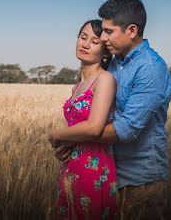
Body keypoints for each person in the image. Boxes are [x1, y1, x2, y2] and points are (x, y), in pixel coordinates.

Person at [54, 0, 171, 219]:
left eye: (108, 32)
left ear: (131, 30)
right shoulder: (116, 63)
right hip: (108, 174)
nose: (103, 37)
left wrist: (70, 138)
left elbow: (126, 129)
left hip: (140, 181)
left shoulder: (150, 68)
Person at [48, 19, 119, 220]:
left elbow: (94, 127)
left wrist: (55, 134)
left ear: (106, 52)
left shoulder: (104, 79)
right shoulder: (77, 87)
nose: (85, 44)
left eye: (95, 41)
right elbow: (78, 130)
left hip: (95, 171)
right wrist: (65, 148)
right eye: (83, 37)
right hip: (71, 168)